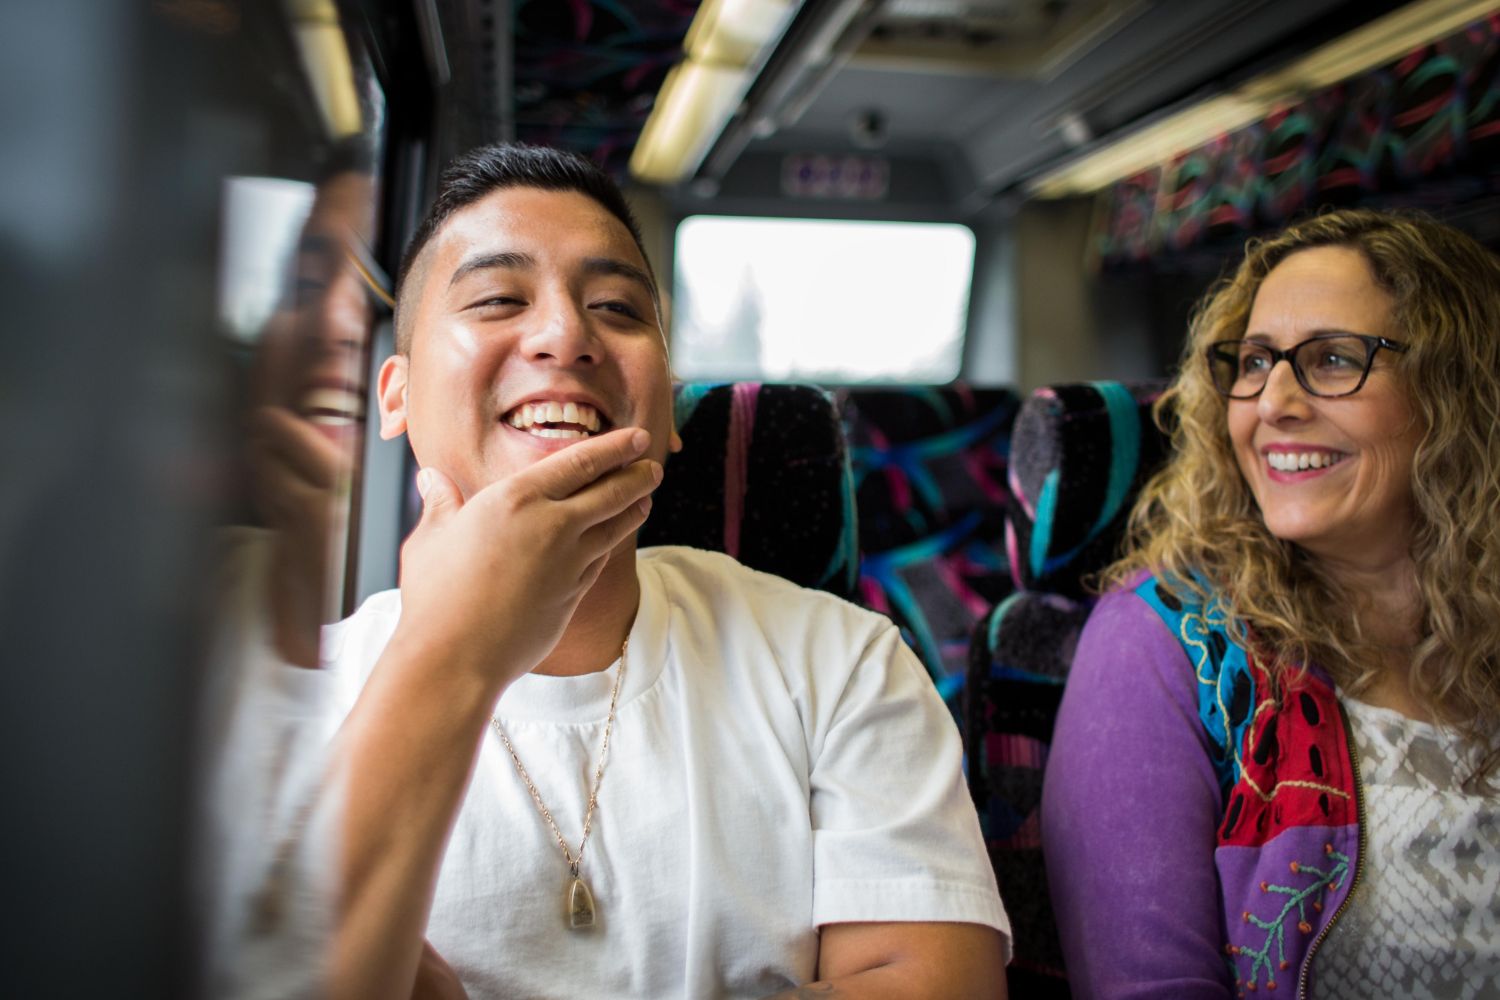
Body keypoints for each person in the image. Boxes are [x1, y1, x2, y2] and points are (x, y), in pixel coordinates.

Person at [274, 143, 1011, 1000]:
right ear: (393, 396)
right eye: (497, 299)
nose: (565, 335)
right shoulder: (297, 692)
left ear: (667, 410)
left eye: (617, 308)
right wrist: (452, 653)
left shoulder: (840, 659)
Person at [1041, 209, 1500, 998]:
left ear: (1456, 389)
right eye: (1254, 362)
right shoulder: (1166, 643)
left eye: (1330, 359)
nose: (1273, 401)